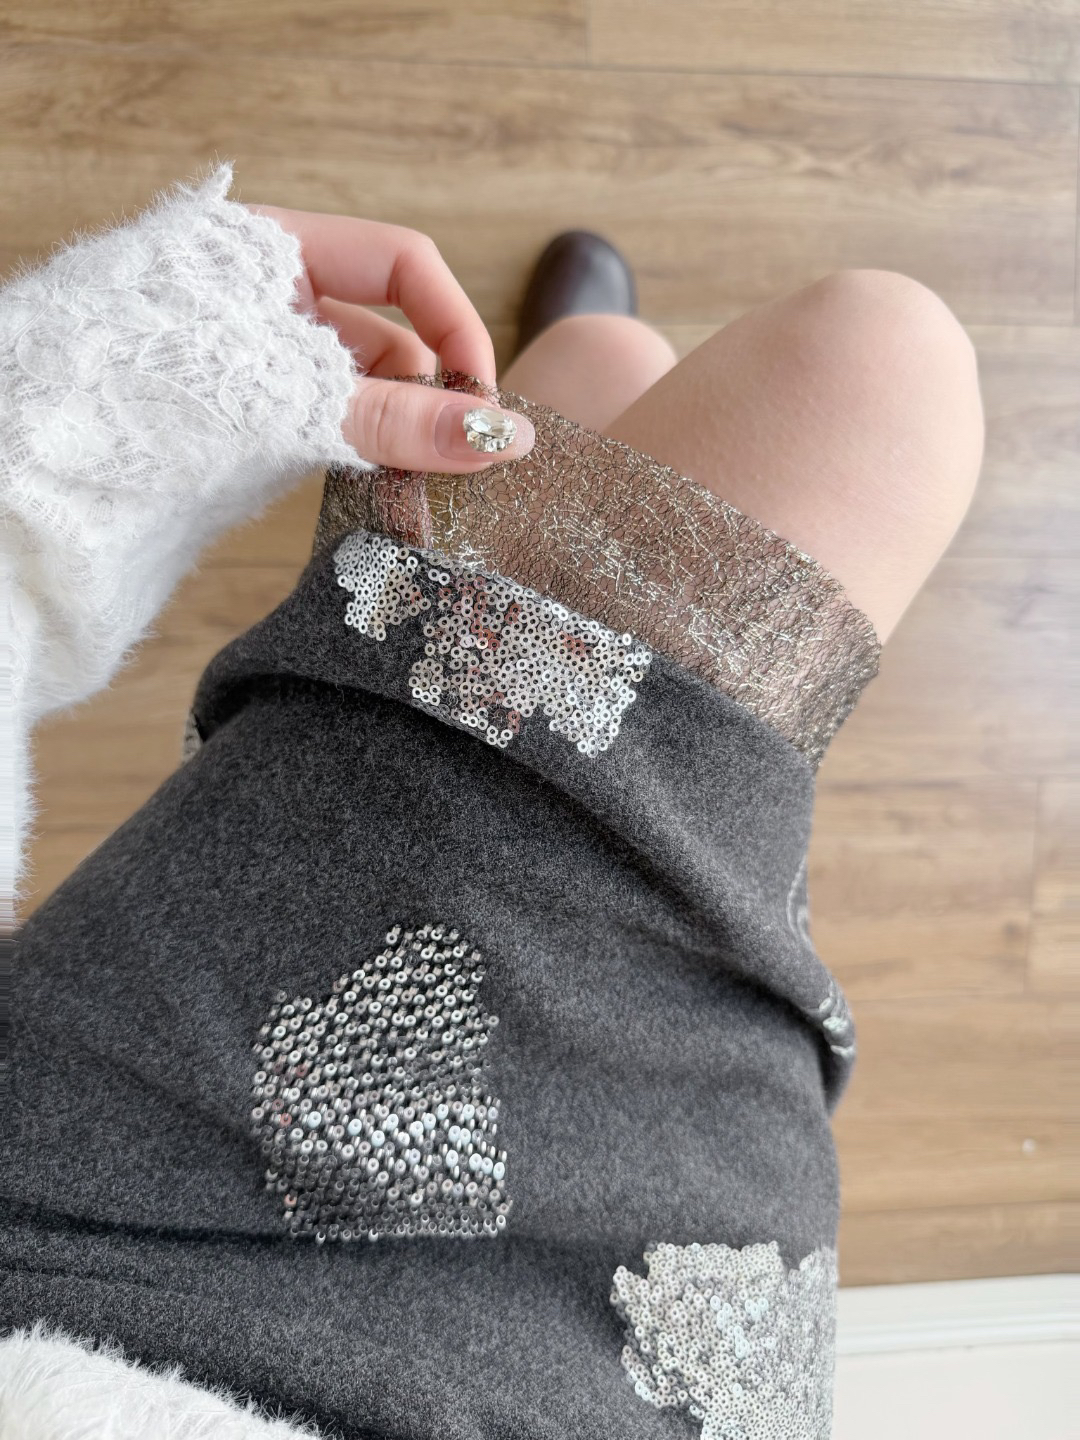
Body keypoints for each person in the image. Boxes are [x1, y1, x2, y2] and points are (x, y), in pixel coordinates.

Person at [0, 163, 983, 1439]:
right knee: (867, 363)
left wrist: (75, 405)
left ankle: (574, 426)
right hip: (593, 1371)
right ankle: (581, 422)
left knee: (631, 392)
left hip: (93, 1244)